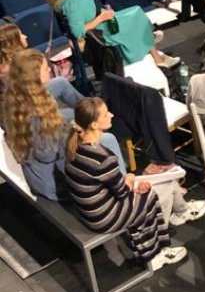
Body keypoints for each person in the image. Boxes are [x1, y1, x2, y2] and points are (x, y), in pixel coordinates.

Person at [64, 97, 188, 271]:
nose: (111, 115)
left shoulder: (75, 146)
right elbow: (123, 192)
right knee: (149, 198)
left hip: (89, 212)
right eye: (106, 114)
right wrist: (130, 178)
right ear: (94, 125)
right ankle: (154, 255)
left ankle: (149, 246)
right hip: (102, 218)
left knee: (144, 194)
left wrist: (133, 187)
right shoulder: (102, 158)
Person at [3, 48, 125, 198]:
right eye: (46, 69)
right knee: (107, 139)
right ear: (33, 77)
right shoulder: (37, 118)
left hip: (48, 157)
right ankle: (123, 188)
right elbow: (50, 155)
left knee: (62, 92)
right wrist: (81, 135)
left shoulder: (17, 98)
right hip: (55, 181)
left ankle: (93, 112)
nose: (50, 70)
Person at [46, 0, 179, 69]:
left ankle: (148, 39)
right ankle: (156, 56)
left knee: (136, 11)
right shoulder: (71, 2)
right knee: (136, 18)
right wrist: (101, 18)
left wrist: (103, 13)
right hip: (99, 33)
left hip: (101, 22)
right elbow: (77, 32)